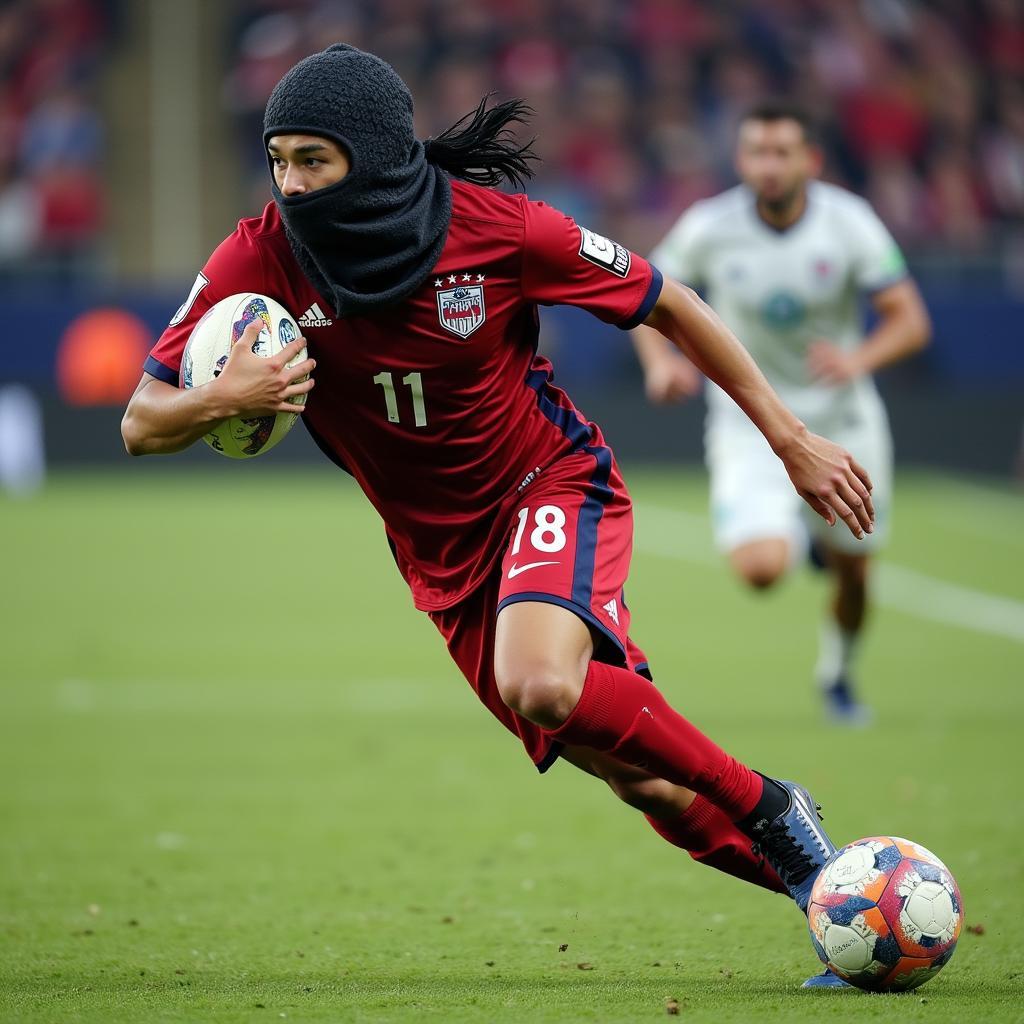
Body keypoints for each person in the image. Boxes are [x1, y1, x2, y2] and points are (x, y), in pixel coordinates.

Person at [122, 48, 875, 989]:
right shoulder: (260, 256)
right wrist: (225, 395)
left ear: (371, 152)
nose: (291, 182)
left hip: (549, 485)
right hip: (441, 558)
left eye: (313, 159)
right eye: (279, 160)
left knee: (542, 685)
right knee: (641, 780)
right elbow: (140, 422)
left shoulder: (499, 230)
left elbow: (669, 303)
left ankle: (770, 806)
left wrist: (790, 440)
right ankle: (829, 900)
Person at [632, 100, 931, 725]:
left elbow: (910, 320)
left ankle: (838, 674)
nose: (768, 166)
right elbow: (643, 293)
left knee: (855, 574)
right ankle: (803, 531)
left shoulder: (850, 222)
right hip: (752, 421)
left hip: (841, 418)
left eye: (781, 153)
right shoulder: (711, 225)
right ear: (741, 160)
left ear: (810, 160)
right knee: (761, 570)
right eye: (756, 153)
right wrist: (661, 365)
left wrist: (858, 359)